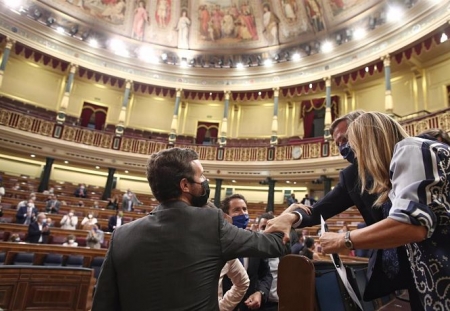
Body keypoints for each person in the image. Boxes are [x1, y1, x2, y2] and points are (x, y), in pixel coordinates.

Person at [92, 148, 292, 310]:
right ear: (185, 185)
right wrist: (291, 216)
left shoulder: (121, 235)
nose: (205, 181)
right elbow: (275, 245)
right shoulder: (210, 222)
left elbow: (103, 304)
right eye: (202, 176)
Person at [265, 110, 422, 309]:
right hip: (395, 269)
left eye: (346, 139)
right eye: (338, 143)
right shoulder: (352, 176)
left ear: (363, 130)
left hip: (427, 261)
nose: (343, 147)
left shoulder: (408, 155)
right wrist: (292, 217)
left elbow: (413, 224)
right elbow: (319, 210)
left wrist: (344, 239)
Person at [319, 112, 450, 310]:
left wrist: (342, 239)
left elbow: (411, 226)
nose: (359, 161)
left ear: (369, 142)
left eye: (356, 148)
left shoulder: (408, 150)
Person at [220, 194, 273, 311]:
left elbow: (266, 274)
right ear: (226, 216)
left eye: (244, 209)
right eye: (237, 210)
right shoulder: (217, 243)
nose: (243, 213)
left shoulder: (255, 241)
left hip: (249, 307)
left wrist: (260, 293)